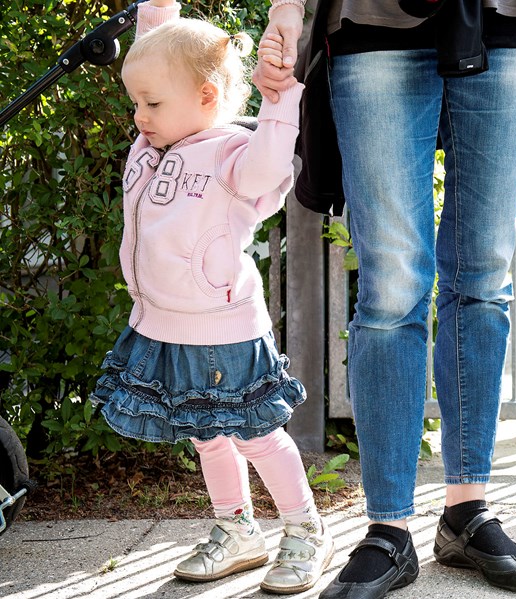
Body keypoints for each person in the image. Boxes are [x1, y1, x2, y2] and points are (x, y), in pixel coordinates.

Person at [253, 1, 516, 597]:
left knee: (484, 277)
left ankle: (466, 510)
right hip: (373, 18)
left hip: (512, 19)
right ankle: (388, 528)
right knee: (391, 285)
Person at [89, 1, 333, 594]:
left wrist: (279, 104)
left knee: (255, 434)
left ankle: (303, 529)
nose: (139, 115)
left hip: (225, 326)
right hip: (164, 321)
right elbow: (161, 55)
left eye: (152, 103)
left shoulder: (230, 156)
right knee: (205, 432)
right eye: (136, 102)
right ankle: (237, 528)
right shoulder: (154, 145)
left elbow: (272, 164)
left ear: (204, 97)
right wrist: (157, 13)